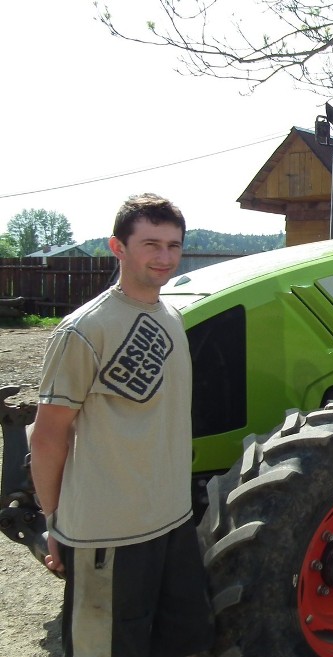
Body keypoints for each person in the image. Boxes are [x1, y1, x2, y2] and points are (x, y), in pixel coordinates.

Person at [29, 193, 215, 657]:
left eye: (173, 245)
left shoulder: (170, 317)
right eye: (151, 243)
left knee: (186, 641)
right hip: (106, 536)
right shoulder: (83, 330)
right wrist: (54, 522)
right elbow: (50, 434)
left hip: (172, 525)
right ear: (118, 247)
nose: (164, 257)